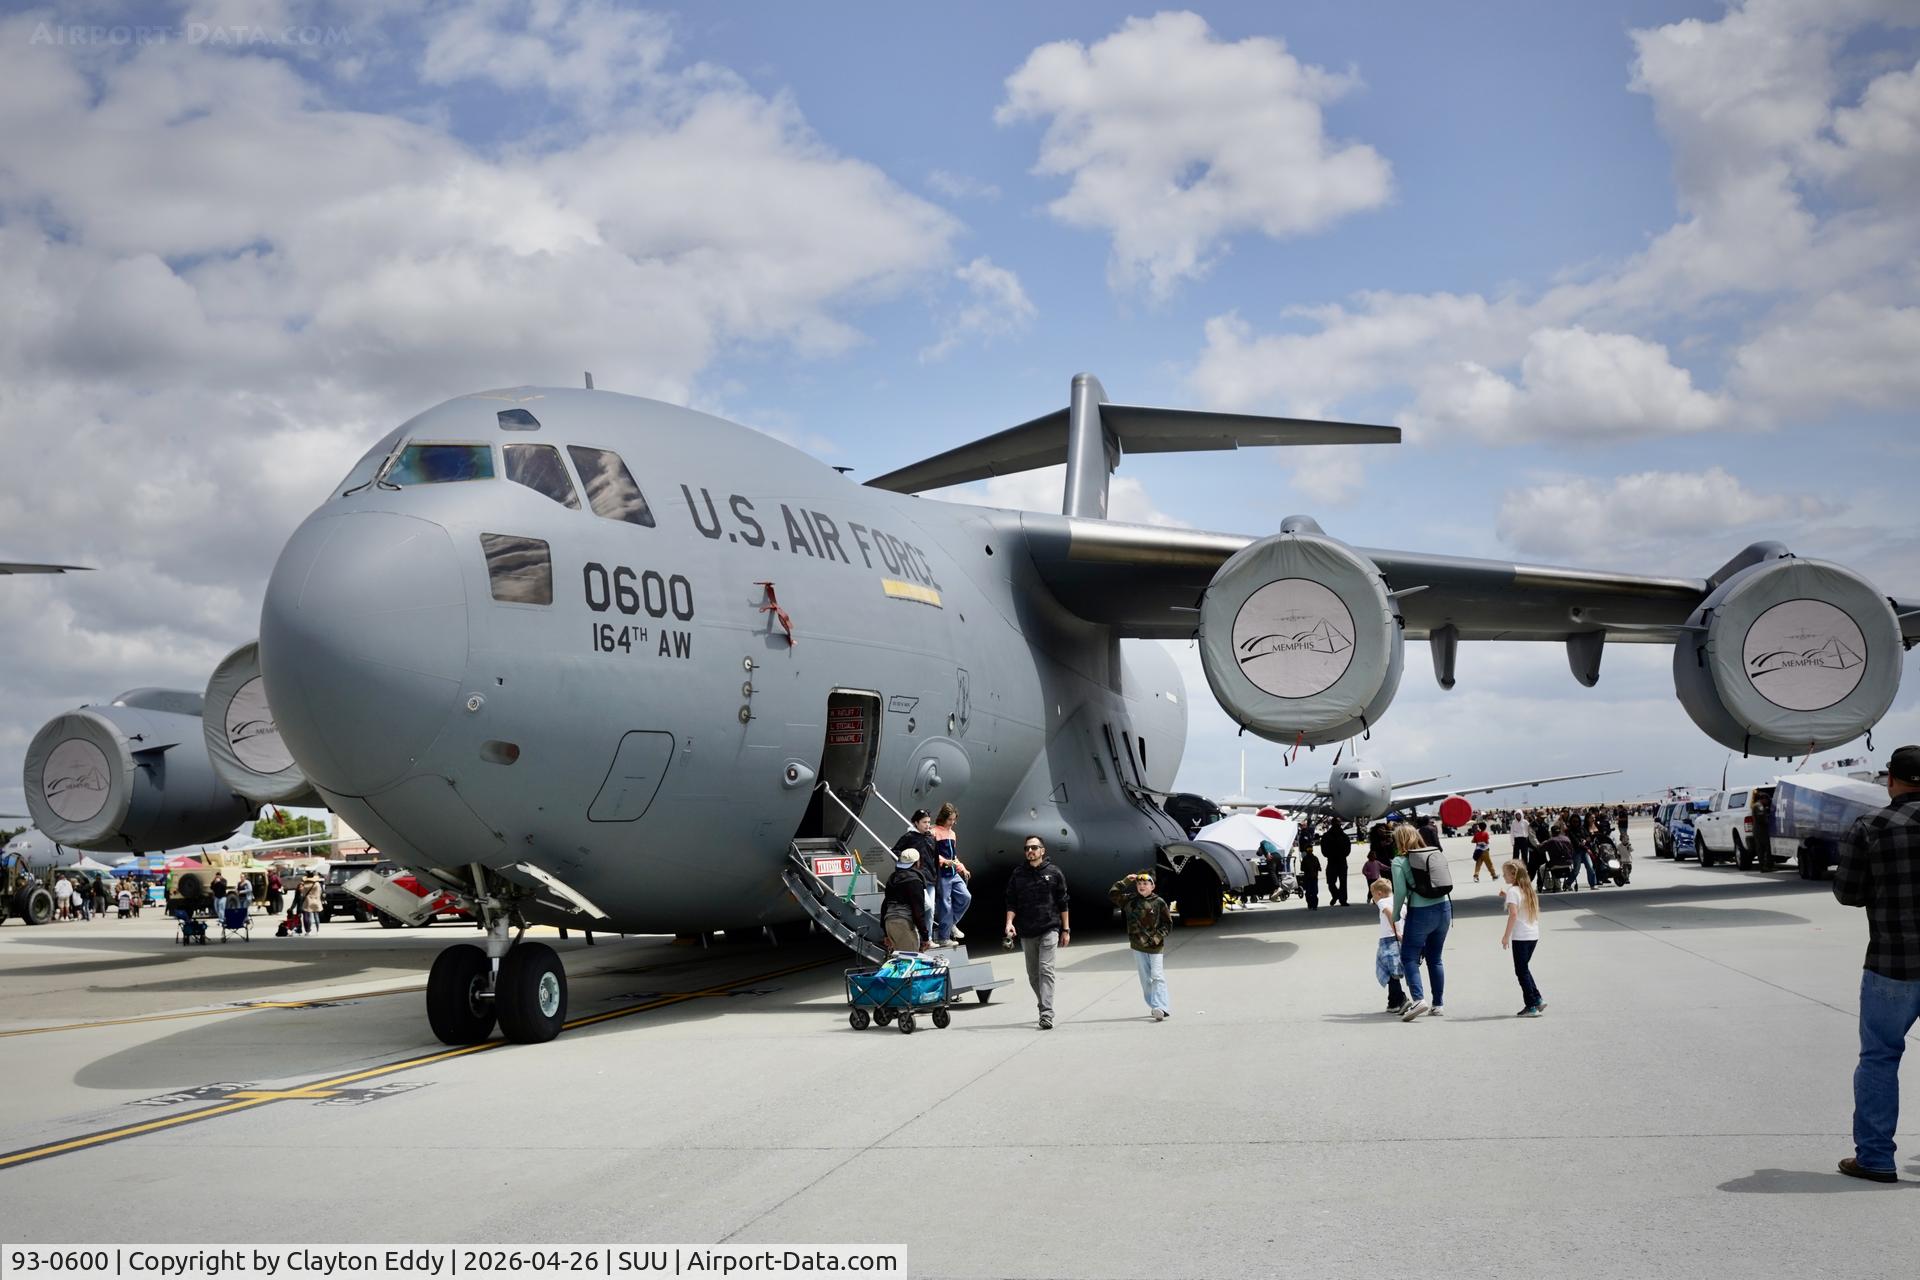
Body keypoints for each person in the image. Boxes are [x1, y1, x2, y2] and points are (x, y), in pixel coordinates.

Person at [1831, 745, 1920, 1183]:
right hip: (1893, 961)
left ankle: (1876, 1158)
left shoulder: (1871, 827)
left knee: (1880, 1058)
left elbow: (1848, 893)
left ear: (1891, 780)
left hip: (1892, 962)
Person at [1004, 836, 1071, 1030]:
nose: (1030, 851)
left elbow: (1063, 902)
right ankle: (1044, 1005)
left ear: (1042, 850)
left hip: (1050, 928)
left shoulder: (1054, 872)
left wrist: (1065, 929)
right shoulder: (1018, 874)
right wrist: (1009, 922)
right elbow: (1011, 901)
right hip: (1027, 931)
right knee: (1033, 975)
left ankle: (1046, 1013)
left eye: (1034, 847)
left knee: (1046, 970)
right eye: (1027, 848)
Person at [1391, 823, 1451, 1021]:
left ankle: (1418, 999)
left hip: (1421, 912)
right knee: (1435, 958)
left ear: (1399, 840)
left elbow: (1399, 891)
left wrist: (1396, 914)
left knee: (1409, 957)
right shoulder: (1432, 852)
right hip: (1444, 909)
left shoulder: (1399, 861)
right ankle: (1438, 1004)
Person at [1109, 871, 1171, 1020]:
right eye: (1139, 884)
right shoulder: (1130, 901)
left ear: (1152, 886)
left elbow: (1167, 924)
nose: (1141, 886)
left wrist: (1157, 937)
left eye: (1145, 883)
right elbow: (1113, 894)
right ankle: (1154, 1006)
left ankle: (1160, 1007)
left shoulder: (1159, 902)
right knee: (1145, 979)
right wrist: (1125, 881)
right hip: (1138, 945)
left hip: (1155, 947)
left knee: (1157, 976)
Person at [1498, 860, 1545, 1016]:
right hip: (1533, 935)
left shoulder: (1513, 891)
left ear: (1513, 875)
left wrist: (1506, 936)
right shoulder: (1527, 889)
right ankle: (1537, 999)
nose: (1503, 876)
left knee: (1521, 971)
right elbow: (1520, 904)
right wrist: (1506, 896)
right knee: (1524, 968)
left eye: (1505, 873)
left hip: (1521, 937)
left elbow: (1513, 914)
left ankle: (1531, 1005)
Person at [892, 810, 939, 944]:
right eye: (924, 822)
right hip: (916, 880)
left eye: (929, 822)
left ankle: (928, 939)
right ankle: (918, 934)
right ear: (916, 823)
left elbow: (935, 859)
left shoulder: (931, 838)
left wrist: (936, 879)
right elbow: (895, 851)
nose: (927, 825)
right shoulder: (909, 837)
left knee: (931, 910)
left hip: (930, 879)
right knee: (926, 906)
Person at [931, 803, 972, 944]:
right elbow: (932, 854)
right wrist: (945, 861)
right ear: (943, 818)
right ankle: (944, 938)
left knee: (966, 897)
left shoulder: (952, 834)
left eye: (954, 819)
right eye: (950, 819)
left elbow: (954, 856)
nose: (952, 822)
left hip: (953, 873)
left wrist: (962, 868)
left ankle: (951, 924)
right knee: (945, 904)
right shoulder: (934, 832)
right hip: (941, 874)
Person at [879, 847, 929, 953]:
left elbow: (885, 905)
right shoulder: (914, 881)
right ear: (917, 862)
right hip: (903, 923)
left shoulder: (892, 878)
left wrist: (885, 933)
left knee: (899, 960)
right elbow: (918, 912)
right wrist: (925, 937)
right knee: (910, 959)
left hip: (889, 923)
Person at [1372, 877, 1407, 1013]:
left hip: (1388, 939)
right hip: (1401, 940)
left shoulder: (1382, 902)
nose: (1373, 898)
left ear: (1379, 893)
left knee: (1387, 971)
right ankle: (1392, 1002)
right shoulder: (1401, 903)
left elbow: (1389, 913)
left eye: (1373, 894)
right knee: (1394, 970)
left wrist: (1396, 930)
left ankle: (1400, 999)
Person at [1321, 821, 1351, 907]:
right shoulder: (1343, 836)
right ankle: (1340, 897)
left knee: (1332, 882)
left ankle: (1339, 897)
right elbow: (1348, 849)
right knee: (1339, 882)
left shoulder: (1327, 836)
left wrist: (1330, 855)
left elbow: (1323, 850)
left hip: (1334, 861)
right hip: (1338, 861)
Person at [1299, 840, 1321, 910]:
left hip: (1307, 878)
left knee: (1308, 892)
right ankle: (1314, 905)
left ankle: (1310, 904)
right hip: (1314, 877)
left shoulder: (1304, 859)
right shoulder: (1315, 858)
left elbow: (1302, 869)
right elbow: (1319, 868)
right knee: (1314, 892)